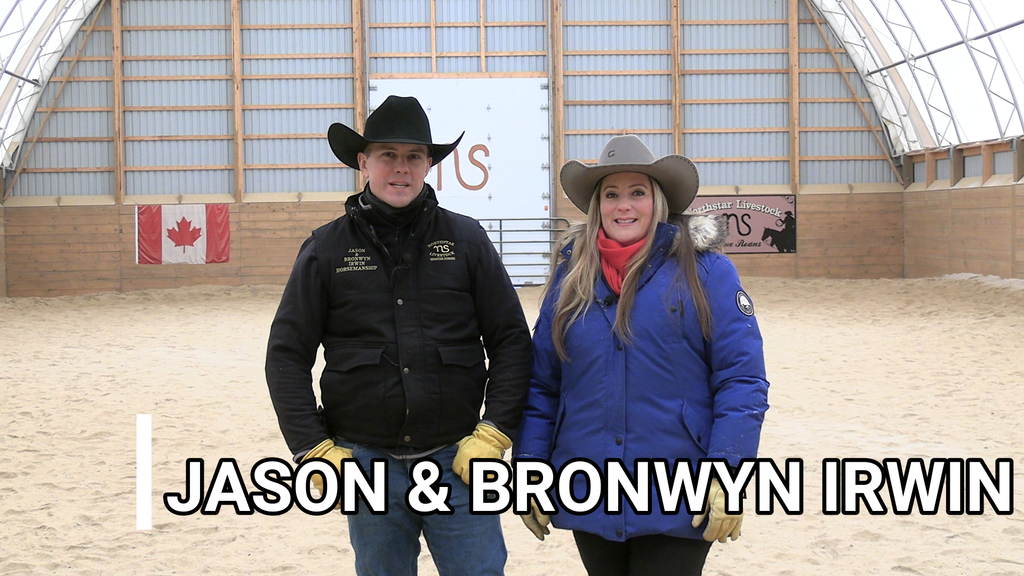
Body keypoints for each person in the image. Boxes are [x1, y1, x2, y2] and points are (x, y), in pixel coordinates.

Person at [265, 95, 532, 576]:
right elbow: (286, 355)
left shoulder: (467, 241)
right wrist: (312, 447)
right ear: (363, 162)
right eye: (388, 155)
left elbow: (511, 340)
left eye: (413, 156)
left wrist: (495, 432)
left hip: (459, 460)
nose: (401, 168)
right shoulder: (325, 249)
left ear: (429, 164)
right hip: (366, 465)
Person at [513, 135, 770, 576]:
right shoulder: (569, 277)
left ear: (658, 202)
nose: (623, 206)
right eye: (611, 194)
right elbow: (543, 383)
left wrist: (729, 470)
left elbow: (741, 380)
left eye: (637, 193)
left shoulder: (707, 271)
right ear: (597, 206)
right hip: (588, 482)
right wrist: (530, 466)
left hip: (676, 489)